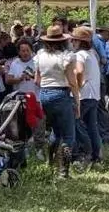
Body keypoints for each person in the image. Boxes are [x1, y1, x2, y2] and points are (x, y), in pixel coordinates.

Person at [35, 25, 78, 177]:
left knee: (55, 131)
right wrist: (77, 102)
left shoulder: (40, 55)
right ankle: (63, 172)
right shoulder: (66, 56)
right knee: (68, 135)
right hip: (60, 92)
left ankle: (51, 162)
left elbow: (37, 80)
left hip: (44, 94)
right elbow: (72, 82)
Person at [72, 27, 102, 165]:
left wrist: (76, 87)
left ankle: (86, 151)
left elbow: (79, 72)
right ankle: (96, 154)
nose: (72, 42)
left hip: (84, 95)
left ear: (79, 42)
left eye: (74, 40)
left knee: (76, 123)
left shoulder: (80, 55)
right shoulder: (92, 53)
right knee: (92, 126)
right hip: (94, 94)